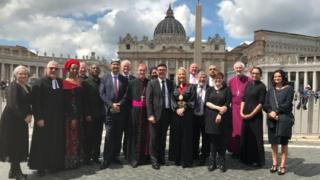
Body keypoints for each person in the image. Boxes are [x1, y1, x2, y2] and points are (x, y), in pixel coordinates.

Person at [28, 61, 65, 176]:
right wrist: (39, 118)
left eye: (56, 69)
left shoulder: (60, 82)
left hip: (57, 118)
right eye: (51, 68)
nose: (53, 70)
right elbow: (36, 102)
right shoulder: (39, 83)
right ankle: (41, 167)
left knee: (55, 141)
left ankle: (53, 165)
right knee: (42, 143)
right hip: (44, 119)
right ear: (46, 69)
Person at [0, 65, 32, 180]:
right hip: (12, 120)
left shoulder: (26, 87)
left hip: (20, 120)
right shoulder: (13, 86)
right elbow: (12, 105)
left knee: (18, 144)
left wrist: (30, 113)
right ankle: (17, 173)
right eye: (20, 73)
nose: (23, 75)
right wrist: (25, 116)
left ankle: (13, 171)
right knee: (14, 145)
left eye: (25, 74)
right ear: (15, 75)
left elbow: (28, 103)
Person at [263, 69, 294, 175]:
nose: (277, 78)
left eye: (279, 76)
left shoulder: (289, 89)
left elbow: (287, 104)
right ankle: (275, 163)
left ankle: (283, 165)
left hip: (283, 119)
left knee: (284, 144)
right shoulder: (270, 90)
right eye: (275, 76)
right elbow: (265, 104)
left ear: (283, 77)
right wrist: (270, 112)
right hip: (272, 120)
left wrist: (275, 112)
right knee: (273, 144)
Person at [99, 60, 128, 169]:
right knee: (109, 135)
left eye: (117, 65)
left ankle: (115, 156)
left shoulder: (124, 79)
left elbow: (126, 94)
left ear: (119, 66)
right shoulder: (104, 78)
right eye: (114, 65)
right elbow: (102, 94)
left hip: (120, 111)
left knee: (118, 135)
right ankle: (106, 158)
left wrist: (119, 104)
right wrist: (111, 105)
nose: (115, 66)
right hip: (109, 112)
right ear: (111, 66)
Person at [146, 63, 173, 170]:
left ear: (166, 71)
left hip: (166, 114)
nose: (161, 71)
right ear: (157, 72)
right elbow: (148, 100)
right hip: (155, 115)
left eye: (163, 70)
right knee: (154, 138)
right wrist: (150, 114)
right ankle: (154, 160)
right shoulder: (152, 83)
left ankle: (161, 157)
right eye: (160, 70)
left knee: (162, 138)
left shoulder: (170, 83)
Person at [205, 71, 231, 172]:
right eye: (216, 78)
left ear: (222, 79)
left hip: (223, 118)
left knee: (222, 141)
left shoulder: (227, 90)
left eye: (219, 78)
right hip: (211, 118)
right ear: (213, 80)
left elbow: (227, 103)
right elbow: (206, 102)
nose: (218, 80)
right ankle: (213, 162)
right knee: (213, 142)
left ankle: (222, 162)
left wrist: (220, 114)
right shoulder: (209, 89)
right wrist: (218, 108)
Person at [240, 67, 266, 167]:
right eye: (253, 73)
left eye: (257, 73)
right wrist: (241, 112)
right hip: (245, 114)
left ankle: (257, 160)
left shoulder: (262, 86)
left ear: (260, 74)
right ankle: (246, 158)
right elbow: (243, 99)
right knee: (246, 136)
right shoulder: (248, 84)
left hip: (255, 117)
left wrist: (251, 114)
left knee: (256, 138)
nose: (254, 75)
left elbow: (260, 104)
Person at [125, 63, 150, 168]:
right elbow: (127, 98)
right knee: (134, 136)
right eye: (140, 70)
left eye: (144, 70)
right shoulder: (132, 83)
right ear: (137, 71)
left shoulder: (149, 83)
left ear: (146, 71)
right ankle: (133, 158)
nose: (142, 72)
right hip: (134, 114)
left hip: (146, 114)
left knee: (145, 136)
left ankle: (144, 158)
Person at [171, 67, 196, 168]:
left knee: (187, 137)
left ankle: (186, 160)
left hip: (188, 115)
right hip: (176, 115)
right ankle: (177, 159)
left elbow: (193, 101)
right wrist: (177, 108)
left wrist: (183, 108)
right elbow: (172, 99)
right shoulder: (174, 87)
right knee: (176, 137)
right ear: (177, 76)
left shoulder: (191, 87)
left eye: (183, 74)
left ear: (186, 75)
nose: (181, 76)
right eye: (179, 74)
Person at [63, 59, 85, 169]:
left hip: (79, 114)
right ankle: (69, 162)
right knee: (70, 138)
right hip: (70, 115)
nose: (75, 70)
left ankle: (77, 160)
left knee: (78, 138)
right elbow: (66, 103)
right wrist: (72, 117)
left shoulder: (80, 82)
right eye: (73, 68)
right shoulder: (65, 83)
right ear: (68, 69)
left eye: (76, 68)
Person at [82, 64, 105, 165]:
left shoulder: (102, 81)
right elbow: (85, 100)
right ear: (90, 70)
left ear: (99, 71)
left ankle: (95, 156)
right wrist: (87, 114)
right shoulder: (86, 83)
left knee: (98, 137)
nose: (95, 70)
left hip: (100, 114)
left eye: (97, 68)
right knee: (89, 137)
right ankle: (87, 158)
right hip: (90, 115)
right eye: (93, 68)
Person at [227, 61, 251, 157]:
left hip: (245, 108)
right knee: (234, 130)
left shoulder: (249, 80)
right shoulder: (231, 81)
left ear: (243, 69)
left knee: (243, 129)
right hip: (234, 109)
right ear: (234, 69)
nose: (238, 69)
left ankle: (244, 149)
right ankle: (235, 150)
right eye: (236, 68)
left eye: (240, 67)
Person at [193, 71, 210, 165]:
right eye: (200, 77)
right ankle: (195, 154)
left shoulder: (210, 89)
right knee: (194, 136)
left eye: (204, 77)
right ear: (197, 78)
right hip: (194, 116)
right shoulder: (192, 88)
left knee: (205, 138)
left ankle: (204, 155)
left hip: (205, 117)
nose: (202, 79)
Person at [121, 59, 135, 159]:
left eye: (127, 66)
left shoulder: (133, 79)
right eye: (124, 66)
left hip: (130, 109)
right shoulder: (118, 78)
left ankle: (127, 151)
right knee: (118, 132)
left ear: (130, 68)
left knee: (129, 132)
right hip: (120, 109)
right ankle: (116, 152)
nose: (126, 68)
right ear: (122, 68)